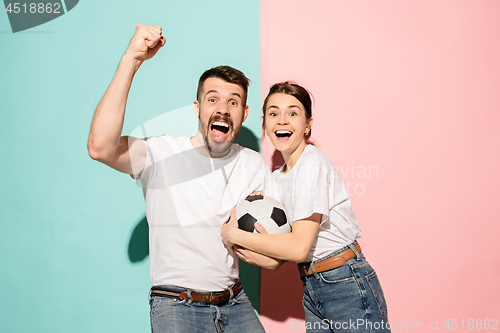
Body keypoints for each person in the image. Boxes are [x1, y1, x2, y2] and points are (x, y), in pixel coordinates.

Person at [87, 23, 278, 333]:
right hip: (177, 305)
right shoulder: (162, 153)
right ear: (197, 108)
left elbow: (269, 246)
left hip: (236, 302)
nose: (223, 109)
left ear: (244, 113)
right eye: (213, 99)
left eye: (233, 102)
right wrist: (131, 60)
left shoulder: (252, 163)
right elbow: (100, 147)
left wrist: (256, 244)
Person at [221, 82, 391, 332]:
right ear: (265, 125)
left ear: (308, 125)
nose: (282, 121)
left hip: (344, 280)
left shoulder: (312, 164)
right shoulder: (277, 178)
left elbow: (299, 248)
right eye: (274, 113)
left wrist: (232, 234)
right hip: (313, 283)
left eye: (292, 113)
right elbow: (278, 259)